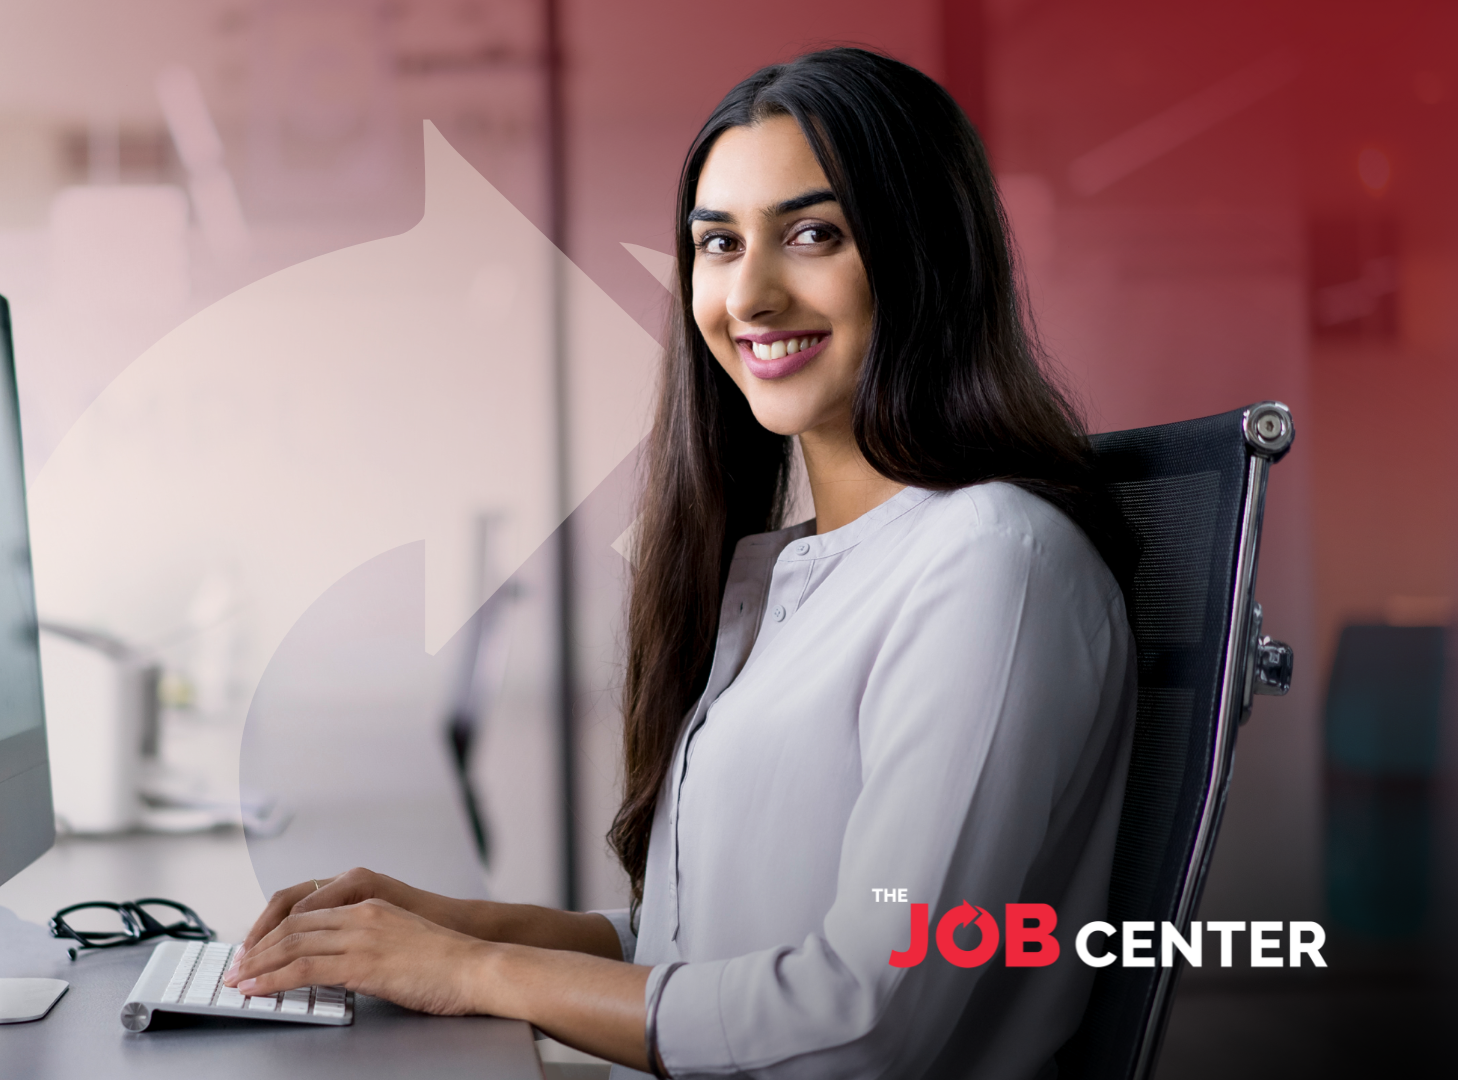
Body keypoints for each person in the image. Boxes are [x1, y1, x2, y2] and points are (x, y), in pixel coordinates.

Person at [222, 47, 1135, 1079]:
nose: (750, 292)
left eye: (813, 234)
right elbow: (702, 955)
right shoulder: (803, 570)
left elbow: (860, 1016)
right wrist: (449, 927)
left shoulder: (989, 566)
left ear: (923, 253)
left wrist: (471, 971)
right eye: (717, 242)